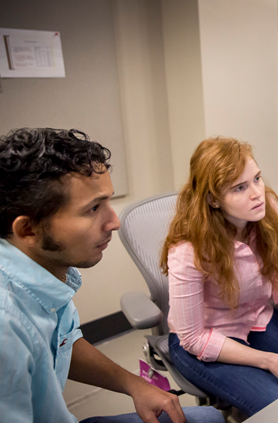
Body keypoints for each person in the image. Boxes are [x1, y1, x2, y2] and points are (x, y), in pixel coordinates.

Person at [0, 128, 225, 423]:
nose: (114, 221)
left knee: (208, 418)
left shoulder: (44, 273)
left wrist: (135, 385)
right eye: (93, 208)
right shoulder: (6, 325)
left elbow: (62, 341)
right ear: (28, 230)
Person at [162, 137, 278, 417]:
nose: (257, 193)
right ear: (213, 199)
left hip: (256, 320)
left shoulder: (264, 211)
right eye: (240, 188)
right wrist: (269, 361)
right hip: (206, 341)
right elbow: (193, 338)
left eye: (256, 178)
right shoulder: (189, 250)